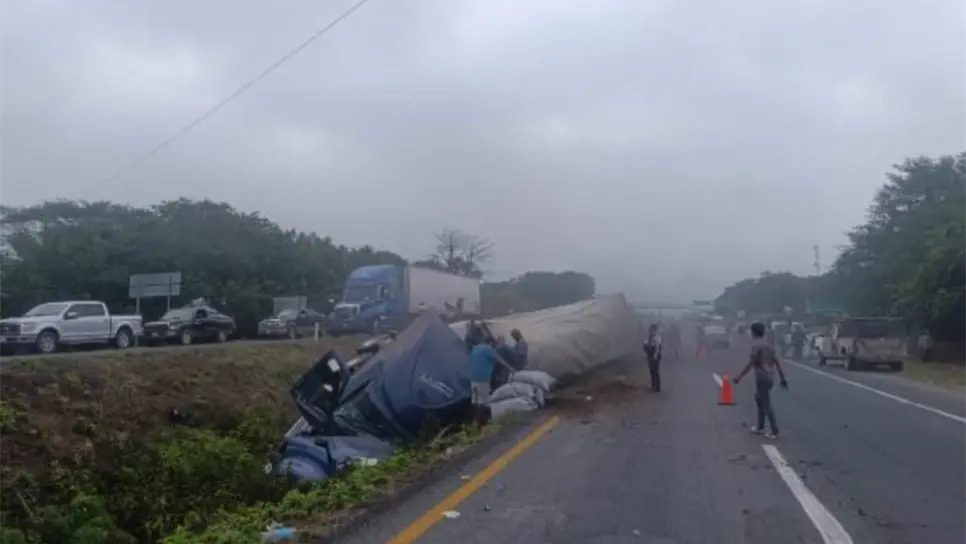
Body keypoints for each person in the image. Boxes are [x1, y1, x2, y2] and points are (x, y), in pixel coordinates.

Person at [734, 322, 788, 438]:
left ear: (753, 332)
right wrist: (782, 378)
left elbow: (751, 364)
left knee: (766, 403)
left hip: (761, 377)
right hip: (770, 377)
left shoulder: (756, 346)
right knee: (759, 398)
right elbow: (777, 362)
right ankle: (760, 427)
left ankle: (774, 430)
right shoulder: (768, 345)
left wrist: (740, 376)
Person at [644, 323, 663, 392]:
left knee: (655, 371)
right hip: (651, 355)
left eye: (651, 329)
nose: (649, 330)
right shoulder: (651, 336)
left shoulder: (656, 337)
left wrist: (655, 356)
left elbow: (657, 348)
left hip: (655, 355)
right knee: (652, 371)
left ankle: (657, 387)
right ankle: (653, 385)